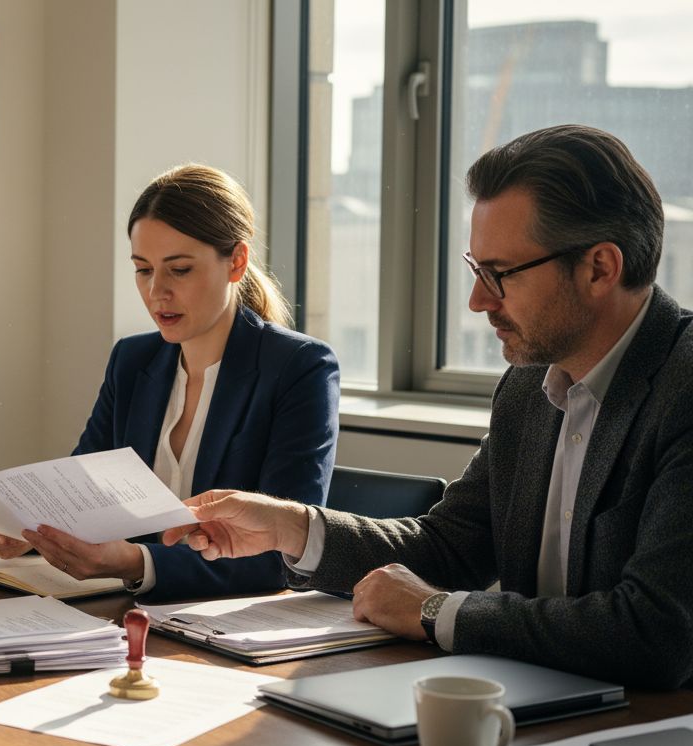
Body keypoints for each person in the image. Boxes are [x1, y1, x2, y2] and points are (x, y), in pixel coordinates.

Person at [164, 125, 693, 689]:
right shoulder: (529, 386)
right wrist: (292, 528)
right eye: (476, 270)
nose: (477, 300)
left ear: (599, 269)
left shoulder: (681, 388)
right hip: (536, 710)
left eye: (501, 275)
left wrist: (437, 611)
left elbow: (657, 635)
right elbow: (448, 548)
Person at [0, 164, 340, 600]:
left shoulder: (301, 367)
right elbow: (80, 495)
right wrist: (33, 529)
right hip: (125, 611)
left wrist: (134, 563)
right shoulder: (132, 360)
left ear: (237, 262)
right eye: (143, 269)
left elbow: (281, 553)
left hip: (229, 624)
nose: (156, 292)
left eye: (179, 270)